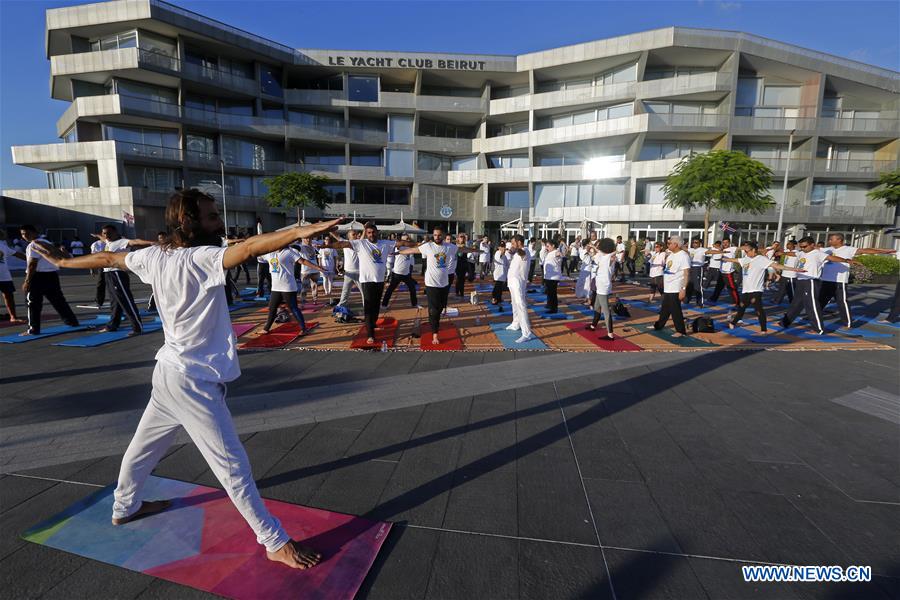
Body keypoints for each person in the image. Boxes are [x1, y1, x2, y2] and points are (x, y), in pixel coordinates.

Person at [35, 190, 340, 569]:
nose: (219, 223)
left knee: (142, 449)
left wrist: (64, 261)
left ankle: (125, 506)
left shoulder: (153, 256)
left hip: (168, 372)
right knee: (232, 466)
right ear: (187, 222)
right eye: (212, 217)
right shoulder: (200, 257)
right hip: (193, 382)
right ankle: (273, 541)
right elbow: (249, 248)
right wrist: (298, 231)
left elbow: (110, 258)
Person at [328, 223, 415, 344]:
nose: (371, 234)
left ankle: (372, 323)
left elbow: (402, 243)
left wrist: (419, 244)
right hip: (364, 280)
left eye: (373, 232)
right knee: (367, 306)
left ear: (377, 232)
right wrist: (325, 245)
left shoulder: (384, 243)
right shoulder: (360, 243)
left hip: (379, 281)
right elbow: (341, 243)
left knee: (375, 306)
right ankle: (370, 334)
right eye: (368, 232)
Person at [397, 225, 477, 345]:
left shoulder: (449, 247)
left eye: (439, 235)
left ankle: (434, 319)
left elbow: (462, 249)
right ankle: (435, 333)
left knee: (440, 307)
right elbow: (414, 250)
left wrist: (477, 251)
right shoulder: (428, 246)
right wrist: (399, 252)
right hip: (431, 283)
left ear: (443, 235)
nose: (437, 237)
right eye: (435, 235)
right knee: (434, 310)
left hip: (444, 283)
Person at [722, 241, 804, 335]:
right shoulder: (745, 259)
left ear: (754, 250)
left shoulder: (761, 259)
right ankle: (733, 323)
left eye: (747, 251)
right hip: (746, 289)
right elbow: (736, 260)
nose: (746, 253)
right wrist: (725, 258)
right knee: (742, 306)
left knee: (758, 308)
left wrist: (794, 269)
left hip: (756, 289)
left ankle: (763, 329)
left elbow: (776, 265)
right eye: (745, 251)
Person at [778, 236, 853, 335]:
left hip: (810, 281)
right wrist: (783, 253)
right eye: (801, 247)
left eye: (805, 246)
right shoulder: (801, 253)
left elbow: (831, 258)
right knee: (796, 304)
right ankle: (785, 322)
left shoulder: (818, 254)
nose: (803, 248)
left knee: (812, 305)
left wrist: (846, 260)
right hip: (800, 281)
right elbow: (794, 253)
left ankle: (819, 329)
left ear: (812, 245)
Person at [818, 233, 894, 329]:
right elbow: (813, 249)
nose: (829, 241)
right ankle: (815, 317)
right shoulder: (827, 249)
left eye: (831, 239)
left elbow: (865, 250)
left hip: (839, 281)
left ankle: (847, 323)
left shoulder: (848, 249)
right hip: (825, 280)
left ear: (839, 240)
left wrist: (883, 251)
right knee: (820, 300)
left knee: (842, 303)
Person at [19, 224, 80, 336]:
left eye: (27, 233)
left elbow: (32, 264)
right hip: (51, 276)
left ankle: (33, 329)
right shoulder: (47, 242)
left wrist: (27, 281)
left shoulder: (34, 244)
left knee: (32, 303)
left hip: (37, 277)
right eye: (22, 234)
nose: (25, 236)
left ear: (34, 232)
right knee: (59, 301)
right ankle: (72, 321)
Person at [96, 225, 154, 335]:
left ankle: (137, 327)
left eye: (109, 233)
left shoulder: (121, 242)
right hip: (108, 274)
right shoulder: (108, 241)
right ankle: (112, 325)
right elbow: (103, 238)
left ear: (115, 232)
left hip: (117, 273)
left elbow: (136, 241)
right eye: (104, 233)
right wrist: (98, 235)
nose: (106, 235)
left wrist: (153, 243)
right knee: (115, 302)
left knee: (126, 301)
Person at [259, 246, 321, 335]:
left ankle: (303, 329)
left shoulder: (289, 252)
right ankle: (266, 329)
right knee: (272, 308)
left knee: (293, 308)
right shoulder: (269, 253)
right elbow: (257, 252)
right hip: (275, 287)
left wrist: (316, 267)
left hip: (288, 287)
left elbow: (302, 261)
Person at [653, 236, 691, 337]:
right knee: (665, 308)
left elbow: (686, 273)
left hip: (676, 286)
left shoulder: (683, 256)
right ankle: (659, 325)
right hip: (668, 286)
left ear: (676, 244)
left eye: (670, 243)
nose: (668, 245)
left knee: (675, 309)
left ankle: (681, 331)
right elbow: (667, 270)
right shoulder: (670, 255)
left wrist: (683, 289)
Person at [505, 234, 534, 344]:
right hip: (512, 281)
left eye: (513, 243)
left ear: (519, 242)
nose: (512, 245)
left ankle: (526, 333)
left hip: (518, 282)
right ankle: (515, 323)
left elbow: (522, 253)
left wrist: (514, 249)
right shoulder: (517, 252)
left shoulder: (525, 251)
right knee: (514, 303)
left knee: (520, 305)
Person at [586, 238, 617, 339]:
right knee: (596, 307)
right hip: (600, 286)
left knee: (606, 310)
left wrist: (614, 251)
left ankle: (610, 334)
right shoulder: (604, 256)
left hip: (603, 286)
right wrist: (593, 247)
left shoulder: (609, 257)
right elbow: (599, 252)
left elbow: (611, 255)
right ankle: (593, 325)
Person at [382, 234, 418, 308]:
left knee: (412, 288)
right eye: (406, 239)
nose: (407, 240)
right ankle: (384, 304)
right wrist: (398, 240)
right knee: (390, 289)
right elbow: (398, 243)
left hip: (406, 274)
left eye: (408, 239)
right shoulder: (399, 247)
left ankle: (414, 304)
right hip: (397, 273)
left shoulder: (410, 247)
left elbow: (415, 244)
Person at [0, 231, 26, 323]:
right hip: (5, 276)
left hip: (4, 276)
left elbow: (17, 254)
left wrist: (31, 259)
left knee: (9, 296)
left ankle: (13, 317)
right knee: (8, 296)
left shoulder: (3, 246)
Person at [709, 238, 739, 305]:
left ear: (729, 243)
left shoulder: (732, 249)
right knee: (718, 286)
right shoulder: (721, 250)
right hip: (721, 271)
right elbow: (715, 256)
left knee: (731, 287)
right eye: (724, 242)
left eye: (727, 242)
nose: (725, 244)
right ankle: (713, 298)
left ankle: (736, 302)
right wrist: (719, 249)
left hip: (728, 272)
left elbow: (740, 248)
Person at [773, 240, 798, 304]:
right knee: (781, 289)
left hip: (791, 275)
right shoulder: (786, 251)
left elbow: (793, 254)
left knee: (791, 291)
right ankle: (778, 300)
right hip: (784, 274)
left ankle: (793, 303)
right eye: (787, 244)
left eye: (789, 244)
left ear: (794, 245)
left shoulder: (797, 252)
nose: (787, 245)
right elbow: (781, 258)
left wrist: (783, 253)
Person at [542, 239, 563, 314]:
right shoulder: (550, 253)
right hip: (548, 276)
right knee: (549, 292)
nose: (546, 248)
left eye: (548, 246)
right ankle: (549, 304)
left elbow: (559, 254)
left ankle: (554, 308)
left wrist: (559, 254)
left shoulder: (555, 252)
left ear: (553, 246)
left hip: (553, 277)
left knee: (552, 293)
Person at [686, 238, 706, 306]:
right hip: (691, 268)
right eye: (693, 242)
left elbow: (711, 251)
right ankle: (687, 299)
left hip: (698, 268)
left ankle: (700, 302)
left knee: (697, 286)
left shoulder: (702, 250)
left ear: (700, 243)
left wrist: (721, 252)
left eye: (696, 242)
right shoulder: (690, 249)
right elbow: (683, 249)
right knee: (689, 284)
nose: (694, 244)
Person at [90, 234, 107, 308]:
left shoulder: (112, 243)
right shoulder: (96, 244)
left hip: (113, 265)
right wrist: (92, 268)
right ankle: (99, 301)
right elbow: (93, 257)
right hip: (102, 265)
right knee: (100, 284)